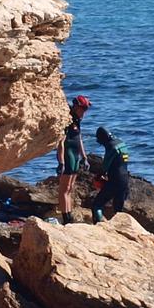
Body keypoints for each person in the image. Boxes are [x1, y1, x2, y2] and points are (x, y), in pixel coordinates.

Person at [55, 95, 92, 223]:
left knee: (70, 188)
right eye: (83, 109)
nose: (84, 113)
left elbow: (79, 139)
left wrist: (84, 157)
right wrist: (61, 162)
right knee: (64, 190)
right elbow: (61, 142)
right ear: (76, 107)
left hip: (76, 156)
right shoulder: (68, 120)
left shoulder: (77, 120)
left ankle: (69, 215)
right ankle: (66, 218)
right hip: (68, 156)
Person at [89, 127, 132, 222]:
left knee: (97, 205)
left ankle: (98, 227)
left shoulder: (111, 146)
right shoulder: (121, 143)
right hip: (125, 179)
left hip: (115, 180)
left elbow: (105, 166)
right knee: (118, 210)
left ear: (102, 138)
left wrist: (99, 176)